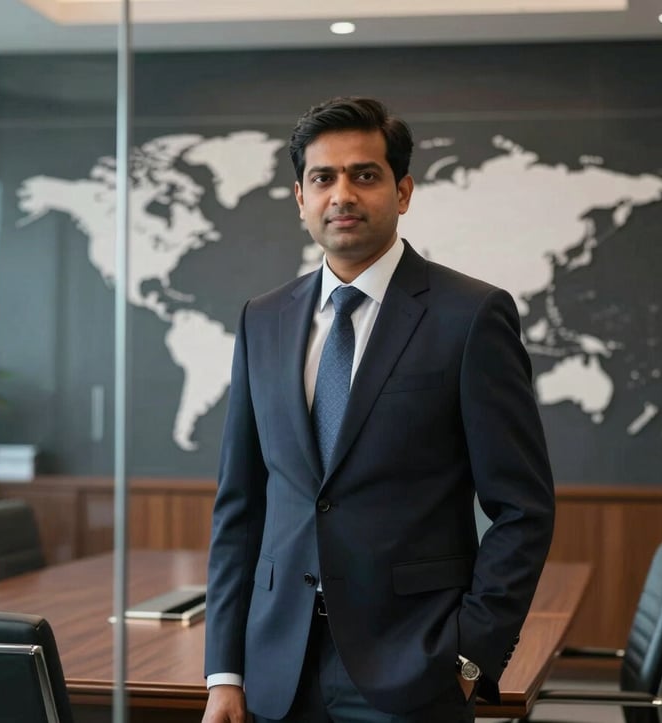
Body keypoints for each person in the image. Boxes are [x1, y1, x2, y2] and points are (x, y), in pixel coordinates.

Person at [202, 96, 555, 723]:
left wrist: (469, 656)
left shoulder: (470, 316)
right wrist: (225, 671)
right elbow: (242, 506)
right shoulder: (263, 319)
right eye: (322, 178)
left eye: (364, 175)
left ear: (403, 191)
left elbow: (522, 508)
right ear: (300, 198)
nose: (342, 194)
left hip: (415, 671)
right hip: (277, 670)